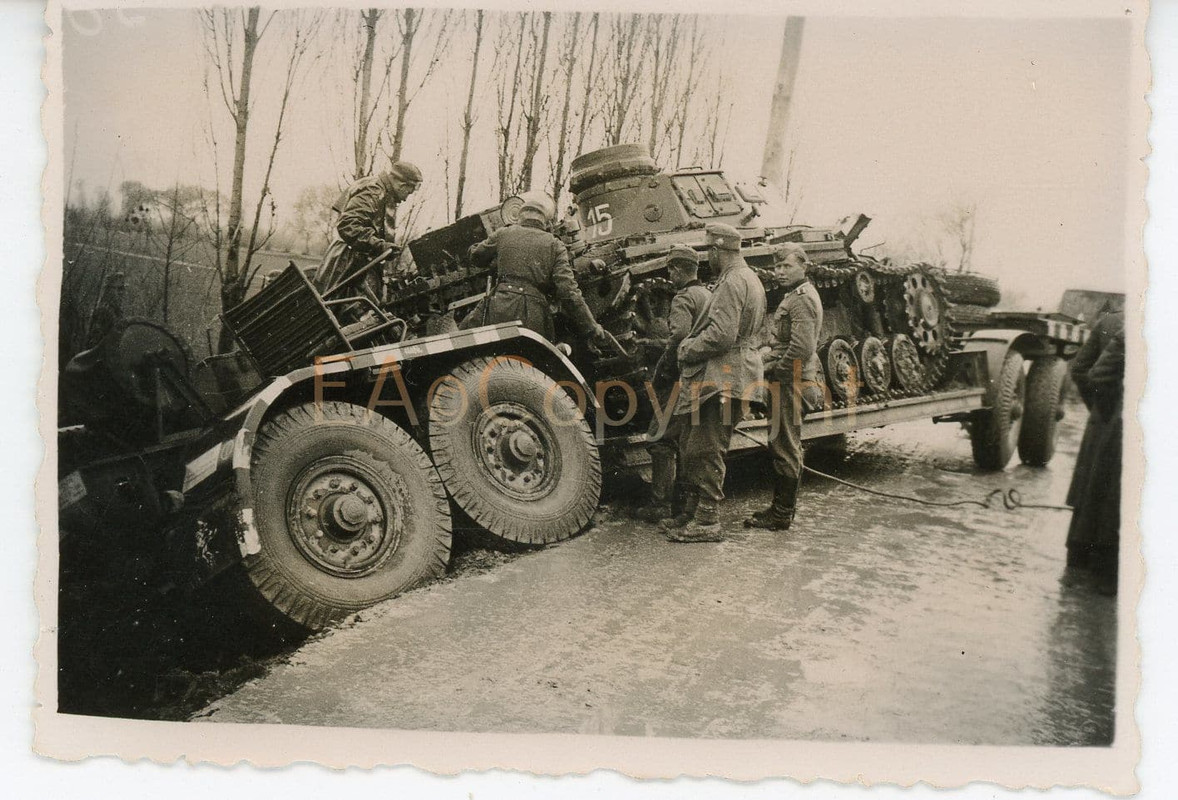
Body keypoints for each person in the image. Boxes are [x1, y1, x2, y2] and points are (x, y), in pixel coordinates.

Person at [663, 222, 766, 542]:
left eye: (710, 251)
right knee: (697, 446)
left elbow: (722, 335)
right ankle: (694, 513)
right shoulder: (749, 278)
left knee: (707, 448)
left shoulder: (732, 281)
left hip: (725, 376)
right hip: (730, 374)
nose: (708, 258)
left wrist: (686, 348)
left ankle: (707, 520)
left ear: (720, 250)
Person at [745, 242, 824, 531]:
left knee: (785, 448)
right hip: (791, 380)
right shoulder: (794, 295)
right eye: (777, 266)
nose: (779, 272)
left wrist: (775, 372)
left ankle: (781, 514)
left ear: (804, 266)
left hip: (792, 383)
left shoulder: (801, 298)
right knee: (783, 444)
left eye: (786, 266)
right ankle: (781, 510)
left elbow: (802, 348)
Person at [462, 192, 606, 344]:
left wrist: (477, 250)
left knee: (469, 338)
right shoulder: (555, 244)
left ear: (520, 216)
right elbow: (568, 292)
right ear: (545, 221)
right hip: (534, 316)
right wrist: (592, 327)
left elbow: (476, 257)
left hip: (500, 306)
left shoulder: (504, 233)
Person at [637, 245, 711, 524]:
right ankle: (682, 507)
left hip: (678, 375)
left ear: (678, 270)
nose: (669, 275)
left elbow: (679, 335)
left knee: (660, 437)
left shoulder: (682, 298)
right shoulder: (706, 294)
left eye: (671, 270)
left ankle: (660, 504)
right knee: (685, 439)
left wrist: (664, 366)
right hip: (701, 376)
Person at [1065, 309, 1125, 595]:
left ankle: (1077, 573)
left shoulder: (1112, 320)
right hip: (1115, 423)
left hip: (1105, 421)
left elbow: (1080, 369)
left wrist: (1102, 412)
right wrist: (1113, 411)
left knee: (1091, 500)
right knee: (1109, 503)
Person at [313, 160, 423, 296]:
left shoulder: (381, 192)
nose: (406, 198)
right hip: (346, 260)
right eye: (408, 192)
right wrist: (379, 245)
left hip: (356, 261)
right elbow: (349, 224)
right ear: (401, 185)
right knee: (333, 307)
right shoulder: (373, 191)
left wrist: (383, 247)